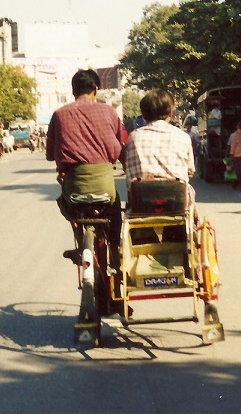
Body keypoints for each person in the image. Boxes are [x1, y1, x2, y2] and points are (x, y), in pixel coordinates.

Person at [46, 69, 126, 305]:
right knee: (114, 212)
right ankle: (115, 250)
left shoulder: (59, 114)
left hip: (74, 190)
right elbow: (119, 149)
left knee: (66, 206)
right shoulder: (108, 112)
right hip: (104, 186)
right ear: (96, 90)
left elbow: (51, 154)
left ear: (73, 92)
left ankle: (80, 245)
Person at [125, 89, 196, 211]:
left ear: (144, 113)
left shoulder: (133, 137)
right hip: (176, 202)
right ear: (170, 111)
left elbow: (129, 171)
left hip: (142, 202)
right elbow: (190, 170)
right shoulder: (182, 136)